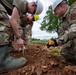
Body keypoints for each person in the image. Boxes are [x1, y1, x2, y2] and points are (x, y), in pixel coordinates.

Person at [0, 0, 43, 73]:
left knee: (8, 25)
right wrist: (19, 38)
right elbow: (13, 21)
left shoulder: (24, 10)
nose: (31, 14)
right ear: (33, 5)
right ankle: (3, 61)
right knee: (5, 21)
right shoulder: (23, 3)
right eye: (33, 13)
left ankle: (9, 47)